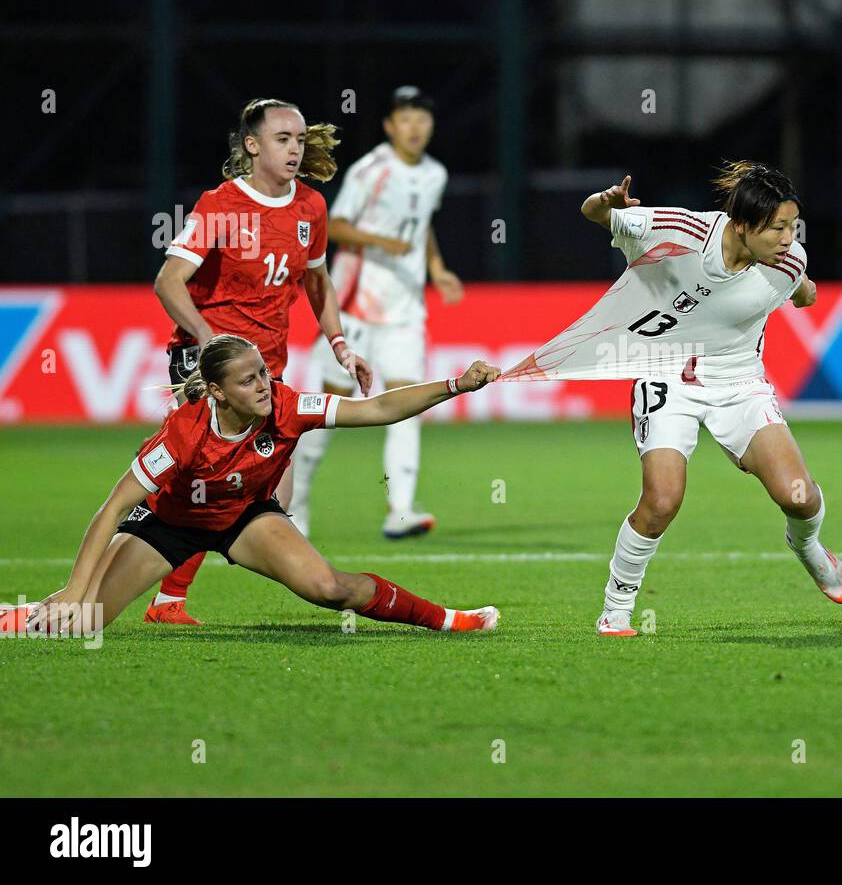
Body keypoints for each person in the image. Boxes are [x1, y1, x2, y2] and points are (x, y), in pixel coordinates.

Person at [19, 335, 500, 638]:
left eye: (264, 375)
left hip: (244, 517)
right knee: (78, 622)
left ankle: (451, 619)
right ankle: (18, 614)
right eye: (248, 382)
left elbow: (375, 410)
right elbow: (112, 509)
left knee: (330, 588)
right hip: (167, 526)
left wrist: (455, 385)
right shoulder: (183, 434)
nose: (265, 387)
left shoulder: (288, 405)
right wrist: (73, 589)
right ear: (218, 393)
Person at [575, 161, 842, 636]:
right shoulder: (681, 231)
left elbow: (801, 287)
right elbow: (594, 214)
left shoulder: (789, 261)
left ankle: (808, 547)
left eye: (792, 225)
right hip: (667, 378)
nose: (789, 238)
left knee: (799, 497)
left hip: (739, 383)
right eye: (778, 228)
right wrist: (605, 205)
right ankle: (616, 607)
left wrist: (805, 291)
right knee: (662, 500)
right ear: (742, 225)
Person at [145, 97, 373, 625]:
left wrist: (341, 345)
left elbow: (317, 280)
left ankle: (169, 593)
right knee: (212, 483)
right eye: (282, 139)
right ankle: (155, 586)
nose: (295, 149)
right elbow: (168, 280)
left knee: (270, 487)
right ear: (252, 145)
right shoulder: (220, 206)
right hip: (212, 369)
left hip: (266, 371)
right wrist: (207, 343)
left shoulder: (310, 207)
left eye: (298, 140)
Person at [289, 86, 463, 541]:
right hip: (356, 308)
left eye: (422, 119)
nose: (415, 127)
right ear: (390, 125)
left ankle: (400, 510)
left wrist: (438, 269)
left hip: (406, 310)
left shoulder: (435, 174)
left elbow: (422, 225)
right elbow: (339, 224)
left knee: (408, 406)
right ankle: (296, 504)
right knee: (325, 409)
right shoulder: (372, 170)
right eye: (406, 118)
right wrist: (382, 242)